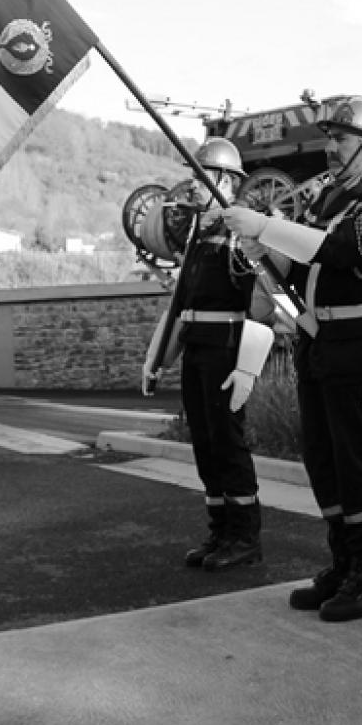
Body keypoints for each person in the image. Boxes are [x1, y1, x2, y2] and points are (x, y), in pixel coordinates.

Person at [222, 97, 362, 622]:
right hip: (319, 335)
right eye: (330, 137)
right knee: (322, 454)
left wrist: (265, 227)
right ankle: (344, 562)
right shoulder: (327, 196)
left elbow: (343, 252)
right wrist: (266, 251)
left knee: (357, 456)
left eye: (343, 139)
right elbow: (302, 257)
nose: (332, 148)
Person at [143, 138, 277, 572]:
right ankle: (220, 529)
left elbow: (263, 303)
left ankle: (244, 535)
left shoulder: (247, 229)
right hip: (198, 346)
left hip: (226, 348)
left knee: (227, 443)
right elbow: (181, 302)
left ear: (224, 180)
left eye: (200, 176)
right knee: (203, 442)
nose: (192, 186)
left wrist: (247, 368)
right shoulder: (201, 230)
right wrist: (158, 360)